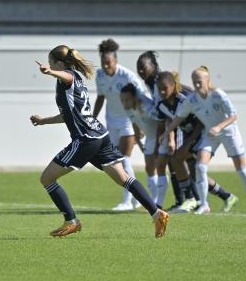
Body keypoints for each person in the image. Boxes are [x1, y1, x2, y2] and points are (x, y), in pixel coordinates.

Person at [30, 45, 169, 238]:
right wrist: (44, 121)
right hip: (100, 136)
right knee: (123, 178)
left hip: (86, 139)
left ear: (59, 63)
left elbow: (66, 77)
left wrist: (50, 72)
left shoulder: (69, 77)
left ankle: (71, 221)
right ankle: (157, 213)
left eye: (52, 62)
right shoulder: (77, 77)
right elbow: (68, 115)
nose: (49, 65)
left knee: (47, 178)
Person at [163, 66, 246, 214]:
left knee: (241, 169)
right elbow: (178, 118)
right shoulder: (191, 100)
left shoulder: (218, 95)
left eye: (199, 82)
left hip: (229, 133)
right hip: (211, 135)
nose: (197, 85)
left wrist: (219, 127)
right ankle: (204, 204)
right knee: (200, 167)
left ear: (208, 81)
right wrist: (166, 132)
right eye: (194, 82)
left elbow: (233, 116)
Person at [156, 71, 238, 214]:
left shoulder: (184, 99)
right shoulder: (162, 105)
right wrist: (169, 137)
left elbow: (200, 121)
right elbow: (169, 118)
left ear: (173, 86)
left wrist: (189, 142)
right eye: (159, 89)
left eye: (165, 88)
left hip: (199, 135)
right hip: (188, 136)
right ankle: (227, 196)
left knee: (177, 159)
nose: (162, 92)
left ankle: (192, 199)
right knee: (196, 173)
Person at [94, 39, 146, 211]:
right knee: (117, 160)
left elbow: (141, 98)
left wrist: (141, 123)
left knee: (124, 159)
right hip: (111, 121)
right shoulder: (100, 75)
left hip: (128, 121)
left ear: (115, 61)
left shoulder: (127, 76)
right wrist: (92, 118)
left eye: (109, 63)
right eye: (103, 63)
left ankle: (126, 202)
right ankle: (137, 198)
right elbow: (101, 97)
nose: (106, 66)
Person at [136, 51, 184, 209]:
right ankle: (180, 200)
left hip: (176, 126)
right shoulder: (152, 82)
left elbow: (165, 113)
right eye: (138, 68)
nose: (141, 71)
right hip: (168, 126)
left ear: (153, 66)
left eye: (144, 67)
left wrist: (168, 136)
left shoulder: (159, 82)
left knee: (177, 162)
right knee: (172, 164)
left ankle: (187, 199)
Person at [119, 83, 160, 204]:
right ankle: (154, 201)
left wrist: (160, 142)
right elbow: (135, 124)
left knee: (160, 168)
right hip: (150, 139)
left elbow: (160, 123)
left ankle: (159, 201)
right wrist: (139, 141)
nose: (124, 103)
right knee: (149, 168)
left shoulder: (146, 106)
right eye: (122, 100)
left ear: (134, 98)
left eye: (127, 99)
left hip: (161, 137)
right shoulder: (129, 109)